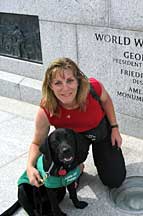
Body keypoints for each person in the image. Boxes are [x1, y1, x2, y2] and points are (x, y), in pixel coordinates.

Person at [26, 57, 126, 190]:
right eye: (58, 83)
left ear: (78, 81)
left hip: (100, 133)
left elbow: (106, 101)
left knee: (114, 180)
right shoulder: (46, 109)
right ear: (50, 85)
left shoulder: (93, 88)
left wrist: (114, 128)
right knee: (62, 171)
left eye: (70, 80)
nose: (65, 88)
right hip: (72, 142)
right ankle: (78, 167)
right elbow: (37, 143)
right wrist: (30, 167)